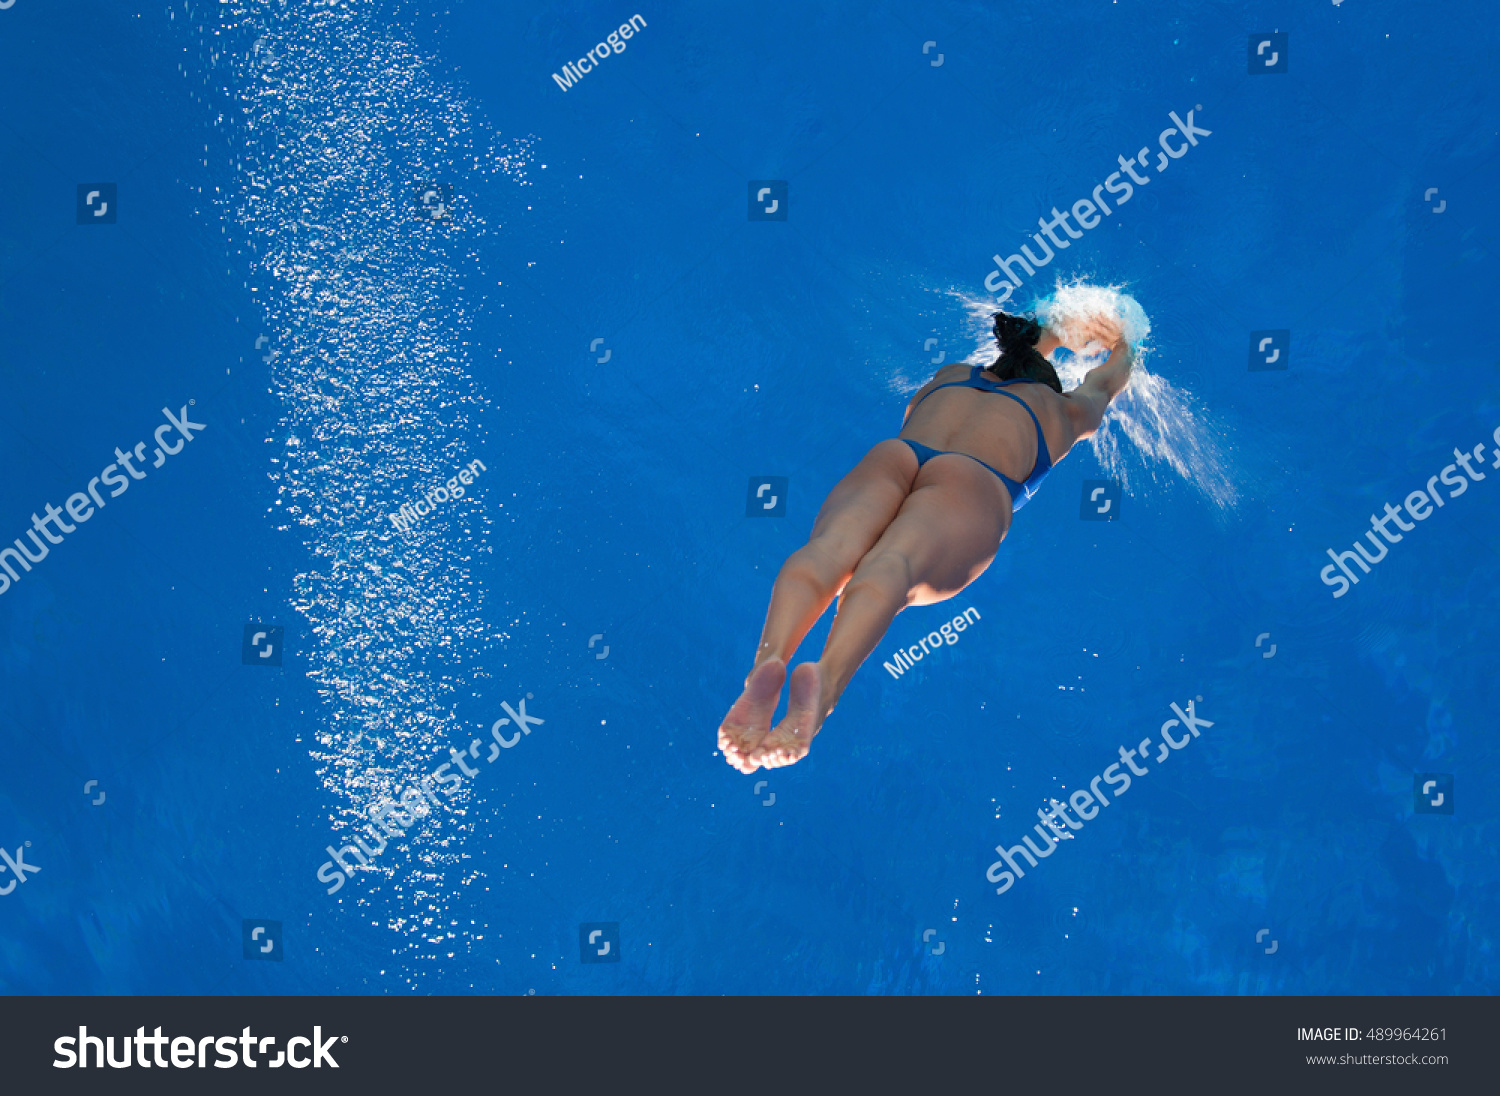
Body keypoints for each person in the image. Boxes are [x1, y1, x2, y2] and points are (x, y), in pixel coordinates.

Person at [717, 304, 1137, 774]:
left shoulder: (951, 375)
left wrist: (1061, 329)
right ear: (1049, 385)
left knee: (828, 551)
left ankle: (767, 663)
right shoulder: (1063, 412)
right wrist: (1129, 340)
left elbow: (1035, 339)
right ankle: (825, 688)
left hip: (896, 455)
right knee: (892, 569)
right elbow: (1107, 381)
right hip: (974, 479)